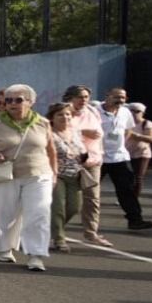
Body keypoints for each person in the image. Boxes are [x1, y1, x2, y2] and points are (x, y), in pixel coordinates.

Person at [0, 85, 57, 271]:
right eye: (9, 100)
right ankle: (4, 248)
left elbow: (51, 149)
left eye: (18, 100)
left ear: (30, 102)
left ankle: (36, 255)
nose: (13, 104)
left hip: (38, 174)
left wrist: (54, 173)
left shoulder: (42, 123)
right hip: (6, 174)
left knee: (39, 213)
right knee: (6, 213)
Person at [97, 86, 152, 232]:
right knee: (87, 189)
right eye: (116, 97)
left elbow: (128, 130)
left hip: (119, 157)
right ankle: (76, 218)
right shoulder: (95, 111)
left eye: (123, 97)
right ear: (107, 96)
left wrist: (120, 145)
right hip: (99, 157)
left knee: (127, 189)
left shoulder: (125, 112)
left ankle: (135, 220)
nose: (120, 100)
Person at [62, 85, 109, 246]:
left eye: (86, 97)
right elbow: (58, 132)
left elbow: (99, 134)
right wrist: (82, 132)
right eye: (79, 97)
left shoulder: (92, 111)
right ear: (70, 98)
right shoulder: (64, 112)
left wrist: (100, 155)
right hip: (70, 161)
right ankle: (54, 229)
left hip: (92, 160)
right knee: (71, 203)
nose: (83, 100)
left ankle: (91, 233)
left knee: (93, 198)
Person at [48, 102, 84, 253]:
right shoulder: (49, 133)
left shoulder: (75, 132)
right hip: (56, 174)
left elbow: (82, 150)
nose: (65, 117)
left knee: (74, 207)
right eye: (60, 114)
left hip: (75, 174)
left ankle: (51, 229)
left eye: (67, 114)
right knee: (58, 208)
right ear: (52, 118)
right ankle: (59, 239)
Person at [124, 101, 152, 197]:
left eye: (137, 111)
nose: (133, 113)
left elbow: (151, 139)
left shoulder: (147, 123)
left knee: (138, 177)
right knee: (126, 177)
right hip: (126, 153)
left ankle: (134, 198)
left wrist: (135, 135)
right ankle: (125, 197)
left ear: (143, 113)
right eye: (131, 111)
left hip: (141, 153)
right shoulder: (124, 122)